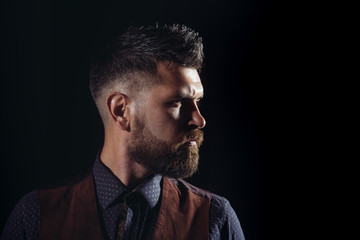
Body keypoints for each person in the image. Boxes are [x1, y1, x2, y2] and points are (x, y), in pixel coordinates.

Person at [1, 24, 245, 240]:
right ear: (120, 111)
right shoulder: (36, 217)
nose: (199, 120)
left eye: (198, 102)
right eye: (178, 102)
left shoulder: (214, 219)